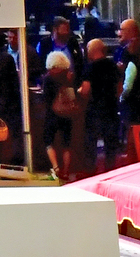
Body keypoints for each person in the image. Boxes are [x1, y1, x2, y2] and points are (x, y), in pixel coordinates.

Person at [82, 38, 124, 174]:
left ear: (92, 51)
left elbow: (85, 90)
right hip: (111, 109)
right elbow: (120, 88)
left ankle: (91, 172)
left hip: (94, 111)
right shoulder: (113, 66)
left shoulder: (90, 68)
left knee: (91, 144)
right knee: (110, 144)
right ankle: (110, 171)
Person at [41, 49, 80, 181]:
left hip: (52, 114)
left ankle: (56, 168)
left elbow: (45, 98)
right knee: (66, 144)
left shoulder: (48, 78)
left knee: (48, 141)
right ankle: (66, 171)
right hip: (67, 114)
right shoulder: (68, 76)